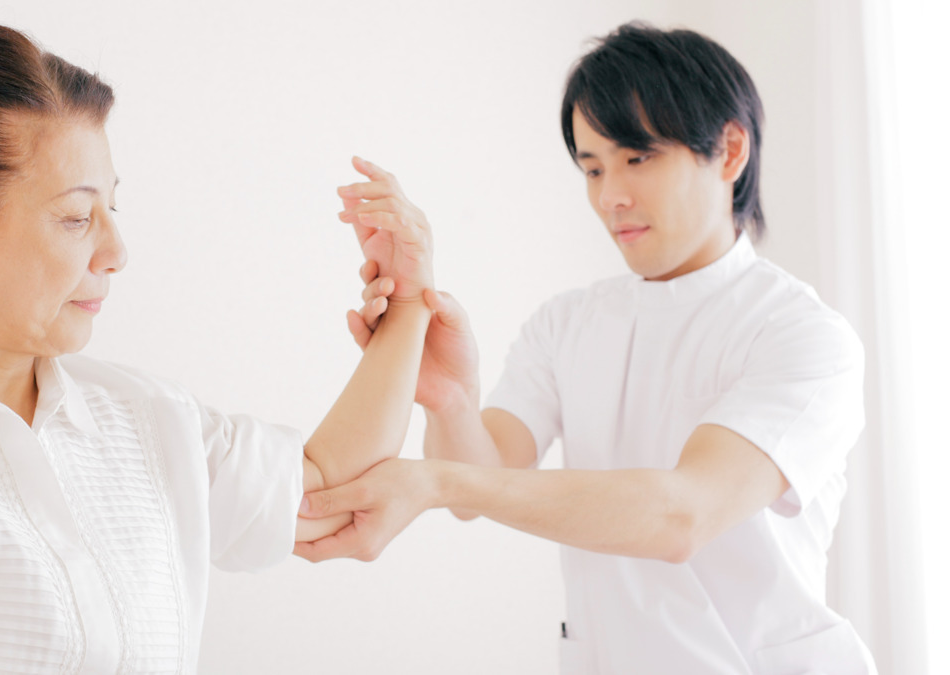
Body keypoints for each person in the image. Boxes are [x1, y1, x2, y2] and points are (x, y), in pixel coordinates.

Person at [0, 24, 434, 673]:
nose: (116, 252)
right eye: (77, 217)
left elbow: (331, 491)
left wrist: (406, 303)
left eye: (112, 209)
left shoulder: (143, 416)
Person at [295, 22, 878, 674]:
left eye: (637, 158)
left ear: (730, 151)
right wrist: (451, 400)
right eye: (592, 167)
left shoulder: (804, 335)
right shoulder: (567, 323)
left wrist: (429, 480)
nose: (610, 196)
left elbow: (681, 515)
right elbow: (481, 486)